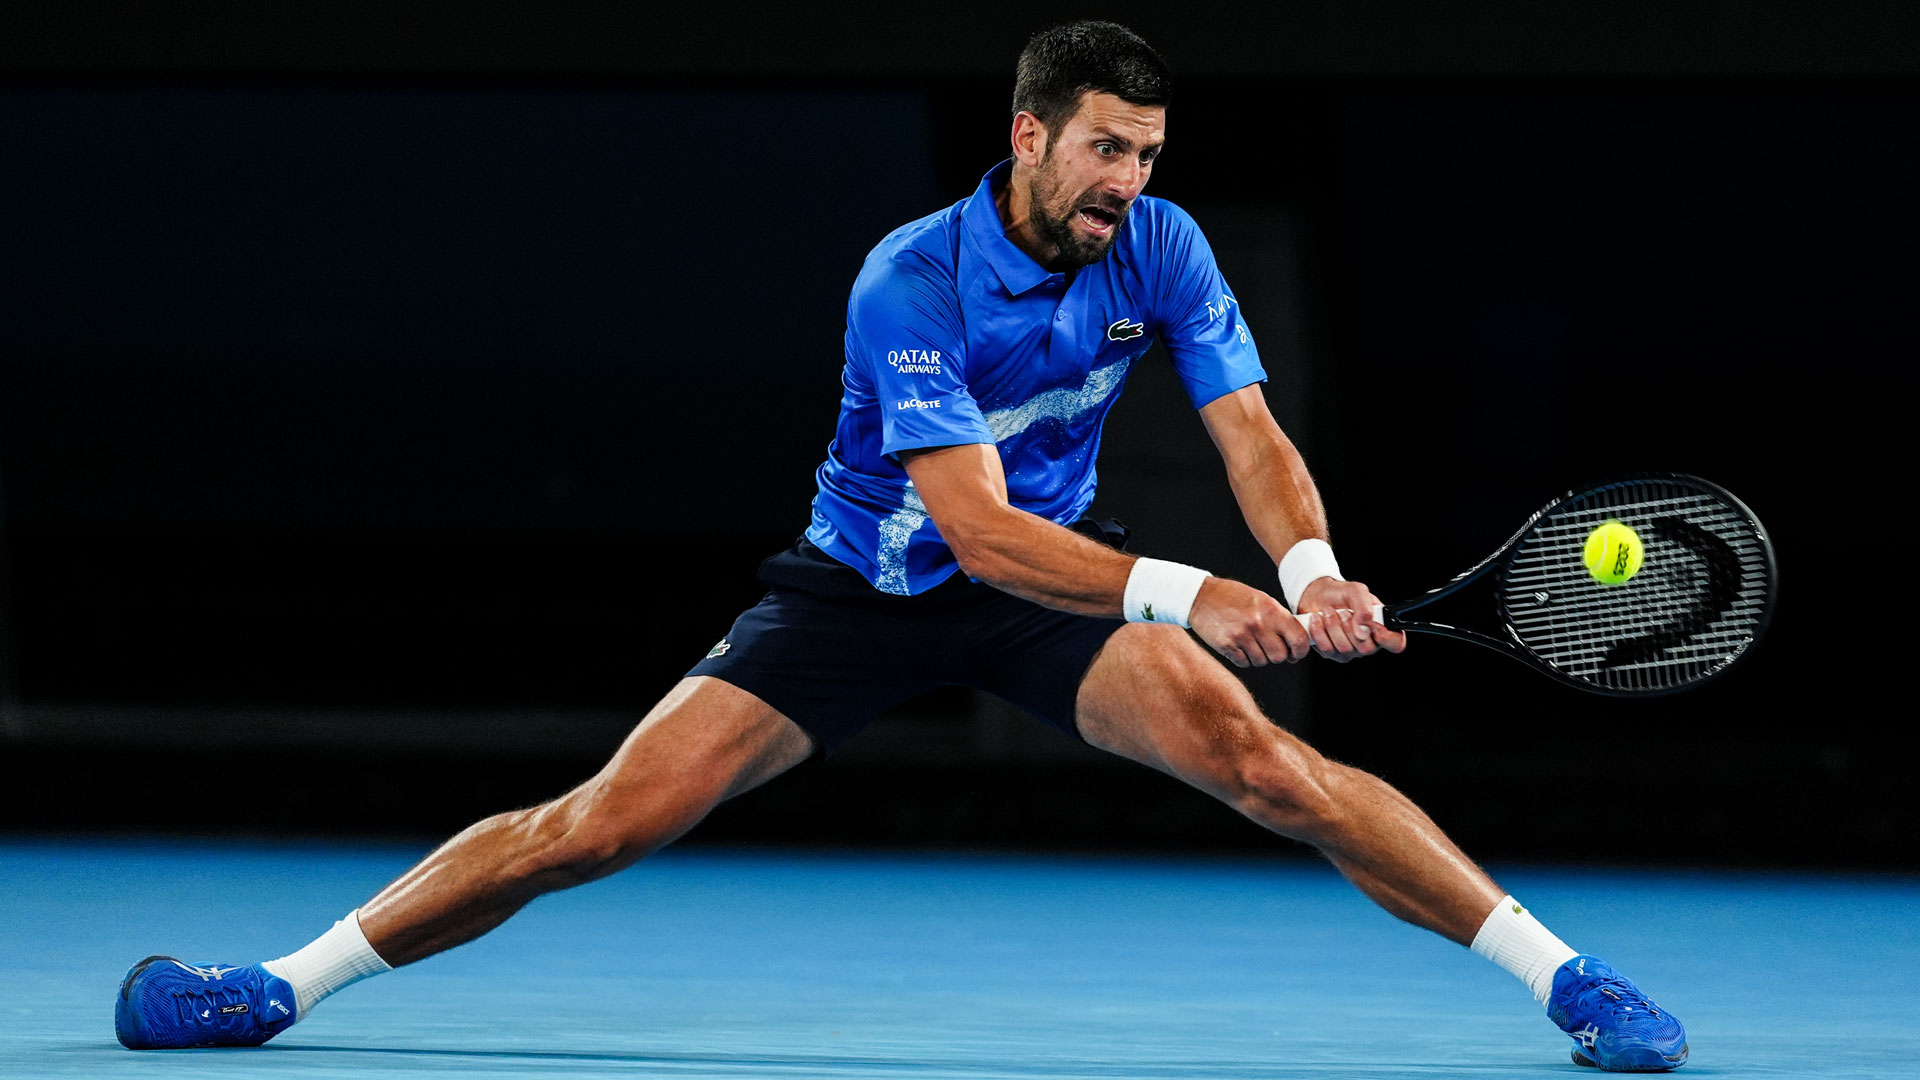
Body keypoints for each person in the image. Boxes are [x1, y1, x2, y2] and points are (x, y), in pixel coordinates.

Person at [114, 21, 1688, 1072]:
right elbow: (973, 532)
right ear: (1028, 136)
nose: (1128, 184)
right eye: (1104, 153)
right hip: (867, 594)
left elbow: (1251, 435)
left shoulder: (1165, 243)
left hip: (1049, 596)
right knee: (596, 828)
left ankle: (1571, 984)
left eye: (1148, 153)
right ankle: (275, 984)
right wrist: (1194, 591)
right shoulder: (908, 282)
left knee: (1277, 772)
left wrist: (1306, 573)